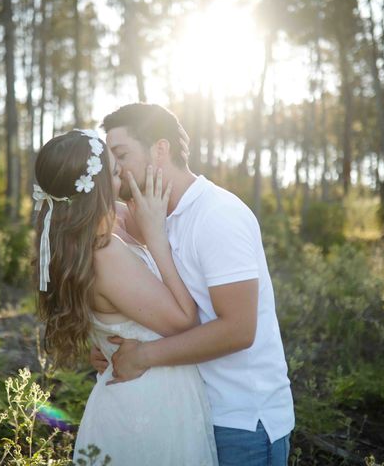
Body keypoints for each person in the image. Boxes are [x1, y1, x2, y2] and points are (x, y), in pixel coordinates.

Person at [91, 103, 295, 466]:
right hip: (186, 412)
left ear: (160, 149)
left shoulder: (218, 216)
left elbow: (238, 330)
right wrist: (111, 348)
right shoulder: (150, 216)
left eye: (121, 154)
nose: (115, 169)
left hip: (240, 421)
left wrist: (143, 356)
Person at [32, 129, 217, 465]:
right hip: (148, 404)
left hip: (142, 392)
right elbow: (183, 321)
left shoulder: (81, 239)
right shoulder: (105, 253)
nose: (123, 181)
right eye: (115, 174)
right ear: (97, 187)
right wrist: (157, 239)